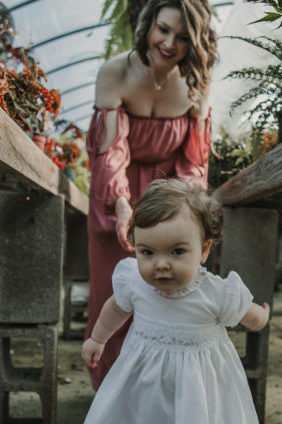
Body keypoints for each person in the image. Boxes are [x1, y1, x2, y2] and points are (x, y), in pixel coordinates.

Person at [70, 179, 270, 424]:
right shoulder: (134, 280)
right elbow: (115, 309)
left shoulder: (215, 293)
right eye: (148, 252)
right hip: (147, 387)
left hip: (201, 393)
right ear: (135, 246)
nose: (160, 264)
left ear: (204, 249)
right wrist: (98, 338)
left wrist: (261, 317)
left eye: (177, 251)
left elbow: (248, 316)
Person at [85, 0, 218, 390]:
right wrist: (124, 207)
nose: (169, 43)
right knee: (115, 292)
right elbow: (110, 152)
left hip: (169, 195)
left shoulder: (197, 82)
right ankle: (112, 393)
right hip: (115, 196)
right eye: (163, 29)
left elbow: (194, 160)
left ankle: (160, 391)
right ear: (148, 24)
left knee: (168, 295)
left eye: (182, 37)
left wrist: (180, 214)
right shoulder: (116, 71)